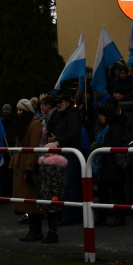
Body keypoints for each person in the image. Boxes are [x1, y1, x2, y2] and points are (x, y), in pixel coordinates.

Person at [91, 98, 128, 227]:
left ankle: (119, 217)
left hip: (112, 163)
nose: (100, 118)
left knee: (116, 191)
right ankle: (102, 217)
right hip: (103, 163)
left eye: (101, 115)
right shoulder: (102, 127)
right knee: (103, 192)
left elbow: (115, 143)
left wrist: (100, 146)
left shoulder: (116, 126)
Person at [47, 92, 82, 225]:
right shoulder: (58, 115)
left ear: (67, 102)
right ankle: (66, 211)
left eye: (60, 102)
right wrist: (55, 138)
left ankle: (72, 213)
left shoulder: (72, 115)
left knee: (69, 184)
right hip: (62, 153)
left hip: (71, 154)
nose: (58, 104)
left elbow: (73, 134)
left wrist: (58, 141)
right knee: (63, 184)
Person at [11, 99, 44, 241]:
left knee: (31, 200)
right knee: (26, 200)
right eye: (17, 110)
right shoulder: (23, 124)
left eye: (20, 110)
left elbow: (33, 148)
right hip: (20, 162)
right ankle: (33, 230)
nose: (18, 113)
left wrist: (29, 168)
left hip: (28, 164)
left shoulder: (34, 125)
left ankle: (36, 231)